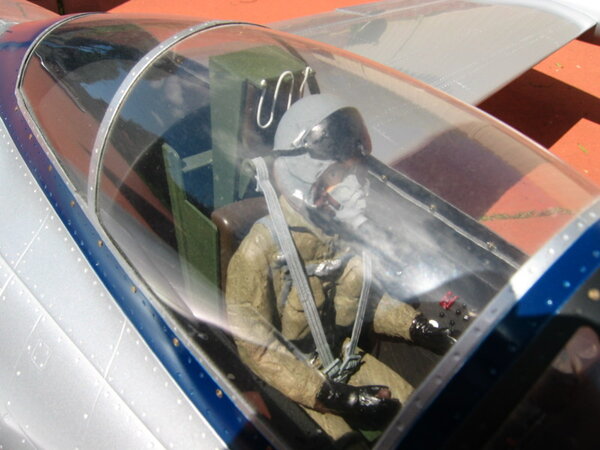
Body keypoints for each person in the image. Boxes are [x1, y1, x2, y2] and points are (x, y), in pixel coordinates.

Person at [225, 94, 454, 441]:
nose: (352, 186)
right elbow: (257, 350)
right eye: (336, 174)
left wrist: (417, 326)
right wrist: (334, 397)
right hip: (293, 378)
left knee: (422, 415)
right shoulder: (260, 251)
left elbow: (363, 301)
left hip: (341, 355)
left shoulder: (342, 230)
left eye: (352, 172)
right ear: (303, 176)